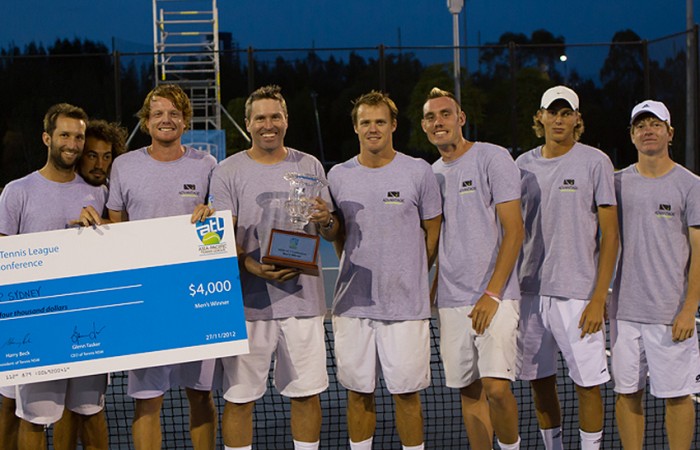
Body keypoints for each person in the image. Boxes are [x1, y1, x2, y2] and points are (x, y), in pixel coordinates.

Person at [209, 84, 333, 450]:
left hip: (303, 303)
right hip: (248, 306)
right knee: (239, 398)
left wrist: (326, 219)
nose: (268, 124)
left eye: (275, 116)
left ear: (286, 120)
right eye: (260, 117)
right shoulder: (226, 171)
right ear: (247, 123)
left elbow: (328, 231)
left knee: (306, 395)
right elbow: (219, 237)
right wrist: (251, 265)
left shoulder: (309, 165)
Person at [105, 84, 218, 450]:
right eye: (158, 114)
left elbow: (219, 224)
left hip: (196, 300)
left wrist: (211, 213)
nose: (166, 120)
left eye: (174, 113)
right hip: (146, 303)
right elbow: (116, 227)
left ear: (185, 120)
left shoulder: (207, 165)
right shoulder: (124, 166)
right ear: (147, 120)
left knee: (201, 395)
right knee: (147, 401)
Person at [328, 90, 442, 450]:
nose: (373, 128)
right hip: (352, 306)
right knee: (358, 394)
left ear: (393, 125)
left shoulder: (418, 172)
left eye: (380, 121)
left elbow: (433, 232)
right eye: (366, 122)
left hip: (406, 307)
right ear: (356, 128)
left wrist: (410, 274)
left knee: (406, 396)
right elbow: (338, 234)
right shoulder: (338, 175)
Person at [0, 103, 109, 450]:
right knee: (34, 418)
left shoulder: (100, 192)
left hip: (87, 322)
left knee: (90, 412)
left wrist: (103, 228)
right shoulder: (17, 191)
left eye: (78, 136)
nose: (73, 144)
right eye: (64, 134)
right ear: (47, 137)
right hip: (35, 325)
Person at [516, 85, 619, 450]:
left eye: (566, 113)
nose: (558, 119)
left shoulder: (596, 162)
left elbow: (611, 236)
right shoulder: (521, 165)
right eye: (552, 112)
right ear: (539, 117)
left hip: (578, 296)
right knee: (539, 380)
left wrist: (597, 297)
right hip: (529, 292)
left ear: (577, 119)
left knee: (587, 384)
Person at [422, 87, 523, 450]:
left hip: (495, 297)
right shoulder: (429, 175)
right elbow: (437, 240)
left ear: (460, 118)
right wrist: (431, 286)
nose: (439, 122)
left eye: (446, 114)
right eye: (432, 117)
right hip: (451, 300)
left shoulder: (492, 158)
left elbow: (515, 231)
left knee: (496, 388)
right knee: (470, 391)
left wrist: (492, 293)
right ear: (424, 127)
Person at [611, 100, 700, 450]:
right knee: (626, 393)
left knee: (677, 396)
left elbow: (699, 251)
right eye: (640, 125)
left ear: (670, 133)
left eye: (655, 124)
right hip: (623, 314)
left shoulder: (690, 185)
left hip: (670, 314)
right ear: (632, 136)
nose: (648, 130)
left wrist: (689, 306)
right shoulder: (616, 184)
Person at [51, 119, 127, 450]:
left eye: (107, 156)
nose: (99, 164)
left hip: (94, 316)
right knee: (49, 412)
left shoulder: (112, 198)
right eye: (92, 156)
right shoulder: (41, 188)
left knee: (89, 407)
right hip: (49, 314)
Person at [77, 119, 127, 186]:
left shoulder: (115, 191)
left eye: (106, 157)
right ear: (79, 155)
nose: (99, 165)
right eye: (92, 156)